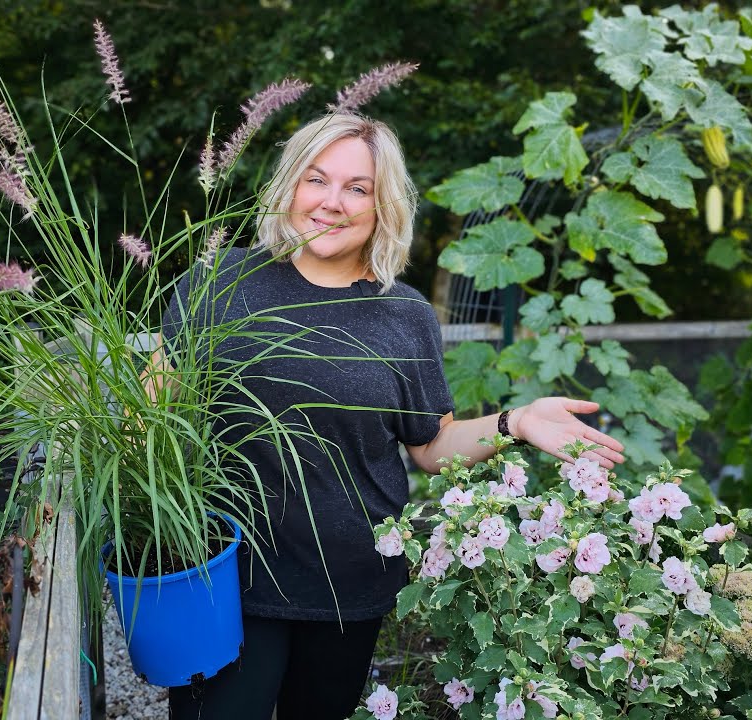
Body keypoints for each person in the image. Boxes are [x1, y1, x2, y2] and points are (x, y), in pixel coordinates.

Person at [163, 113, 625, 720]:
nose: (332, 202)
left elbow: (431, 445)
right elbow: (154, 416)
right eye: (316, 179)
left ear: (383, 206)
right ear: (289, 185)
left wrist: (516, 422)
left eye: (357, 188)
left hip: (347, 585)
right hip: (223, 572)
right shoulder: (218, 283)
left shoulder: (402, 314)